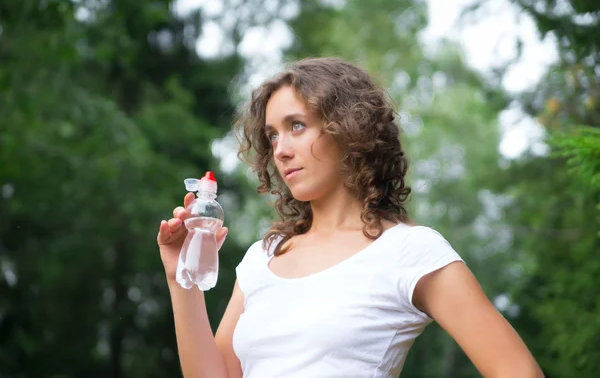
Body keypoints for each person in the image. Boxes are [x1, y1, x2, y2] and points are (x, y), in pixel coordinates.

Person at [156, 57, 543, 378]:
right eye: (273, 135)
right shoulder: (263, 257)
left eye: (296, 126)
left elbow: (517, 370)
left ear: (348, 130)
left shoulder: (408, 250)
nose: (281, 150)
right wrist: (181, 280)